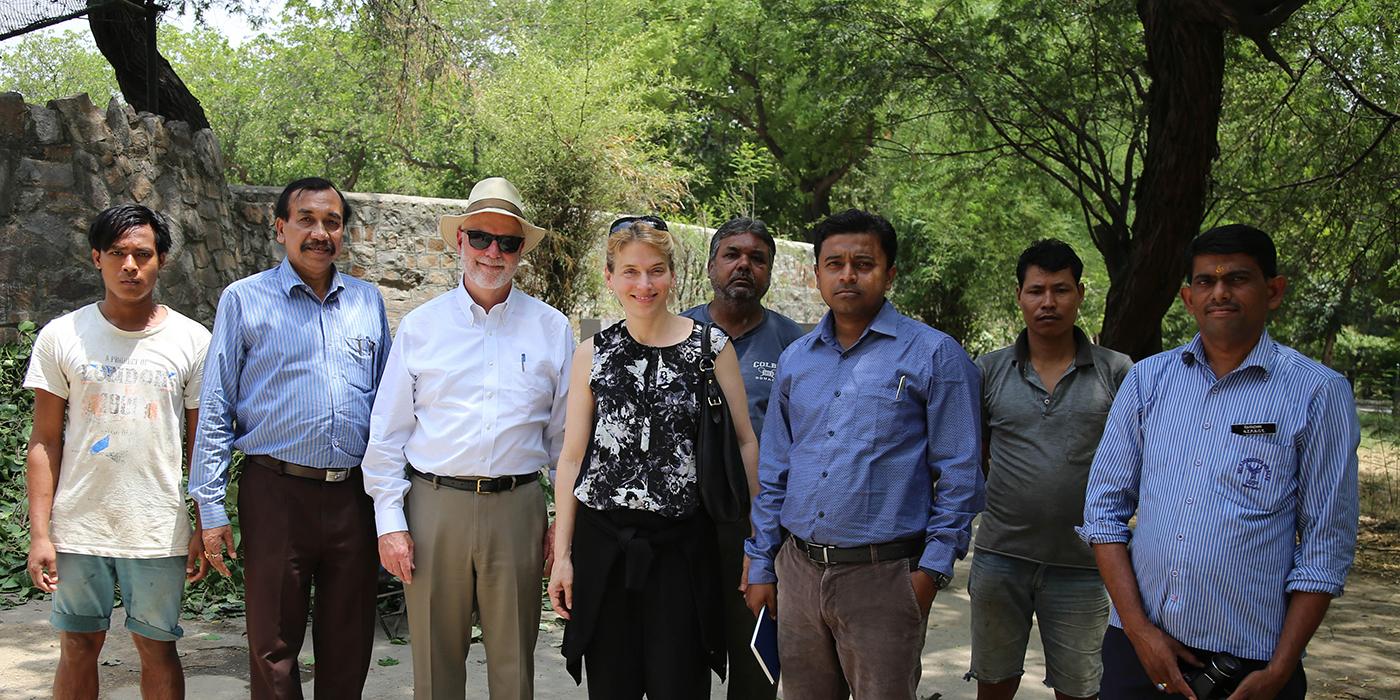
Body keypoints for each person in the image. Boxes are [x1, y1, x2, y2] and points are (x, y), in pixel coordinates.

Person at [1079, 224, 1359, 699]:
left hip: (1251, 666)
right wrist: (1140, 632)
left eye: (1238, 279)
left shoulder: (1317, 393)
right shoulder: (1148, 381)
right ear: (1188, 298)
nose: (1220, 292)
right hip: (1140, 650)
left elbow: (1326, 543)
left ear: (1273, 291)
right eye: (1206, 281)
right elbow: (1102, 513)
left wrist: (1280, 669)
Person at [744, 208, 985, 700]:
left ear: (890, 273)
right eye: (834, 263)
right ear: (816, 274)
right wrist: (763, 562)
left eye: (863, 263)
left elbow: (961, 473)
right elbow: (775, 473)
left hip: (885, 577)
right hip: (799, 572)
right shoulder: (796, 359)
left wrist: (929, 573)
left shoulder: (934, 355)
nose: (847, 275)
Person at [361, 177, 572, 700]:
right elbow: (386, 437)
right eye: (480, 237)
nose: (492, 253)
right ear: (459, 241)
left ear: (522, 250)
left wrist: (561, 529)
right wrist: (390, 524)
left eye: (508, 242)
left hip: (518, 508)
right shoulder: (421, 327)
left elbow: (565, 443)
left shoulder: (551, 329)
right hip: (434, 507)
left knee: (514, 666)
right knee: (435, 667)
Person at [189, 177, 392, 699]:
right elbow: (215, 407)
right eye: (306, 219)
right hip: (276, 492)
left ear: (344, 232)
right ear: (280, 227)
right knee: (273, 646)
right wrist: (211, 508)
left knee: (349, 642)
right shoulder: (244, 300)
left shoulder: (368, 302)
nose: (319, 232)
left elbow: (391, 408)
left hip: (354, 495)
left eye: (332, 221)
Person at [548, 216, 760, 699]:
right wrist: (563, 556)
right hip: (604, 549)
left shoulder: (712, 348)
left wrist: (756, 538)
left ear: (673, 275)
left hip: (682, 552)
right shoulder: (593, 352)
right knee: (612, 686)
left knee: (679, 684)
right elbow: (571, 457)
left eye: (656, 270)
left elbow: (746, 442)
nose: (644, 284)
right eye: (630, 271)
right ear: (610, 277)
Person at [24, 204, 211, 699]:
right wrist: (40, 533)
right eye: (118, 253)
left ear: (161, 261)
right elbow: (45, 439)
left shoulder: (193, 341)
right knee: (79, 644)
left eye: (142, 254)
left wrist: (202, 520)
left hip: (157, 524)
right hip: (80, 523)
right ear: (97, 258)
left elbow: (201, 443)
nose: (130, 265)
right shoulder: (63, 336)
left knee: (156, 646)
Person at [969, 240, 1131, 700]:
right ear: (1018, 295)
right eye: (1036, 290)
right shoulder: (988, 371)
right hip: (1001, 556)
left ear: (1080, 293)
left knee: (1080, 689)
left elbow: (1135, 463)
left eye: (1060, 290)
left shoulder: (1117, 372)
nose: (1048, 302)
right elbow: (973, 455)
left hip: (1084, 562)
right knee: (994, 683)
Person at [680, 216, 805, 700]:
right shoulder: (678, 333)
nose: (744, 265)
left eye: (757, 258)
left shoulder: (796, 345)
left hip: (760, 525)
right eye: (732, 254)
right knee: (683, 658)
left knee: (755, 663)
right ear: (712, 265)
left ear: (770, 271)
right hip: (685, 524)